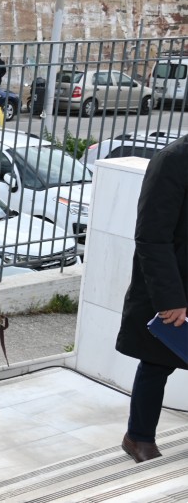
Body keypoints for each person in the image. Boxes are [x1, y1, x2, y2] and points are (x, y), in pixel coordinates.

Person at [116, 135, 188, 463]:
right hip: (177, 285)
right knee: (158, 363)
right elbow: (151, 236)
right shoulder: (173, 159)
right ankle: (138, 436)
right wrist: (170, 298)